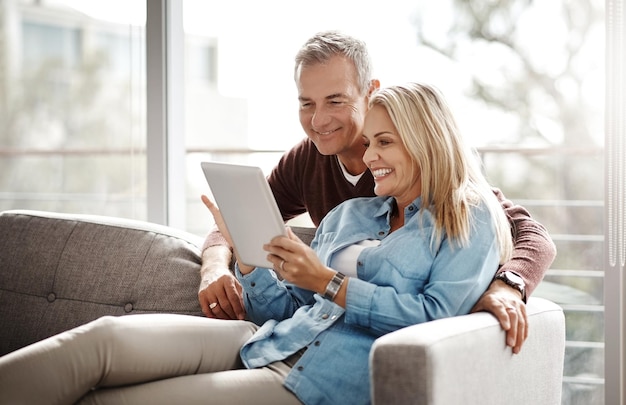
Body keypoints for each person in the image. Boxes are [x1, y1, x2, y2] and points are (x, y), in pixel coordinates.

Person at [0, 82, 515, 405]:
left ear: (427, 141)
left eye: (385, 142)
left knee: (110, 400)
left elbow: (435, 320)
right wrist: (252, 258)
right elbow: (288, 304)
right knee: (102, 342)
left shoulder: (468, 222)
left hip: (320, 380)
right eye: (369, 142)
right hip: (269, 338)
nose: (370, 155)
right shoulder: (353, 214)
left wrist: (329, 282)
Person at [198, 30, 556, 353]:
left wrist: (507, 285)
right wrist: (217, 267)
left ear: (370, 91)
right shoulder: (307, 161)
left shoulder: (419, 166)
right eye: (307, 103)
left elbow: (527, 234)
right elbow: (239, 218)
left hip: (365, 344)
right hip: (313, 332)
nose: (318, 121)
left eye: (335, 100)